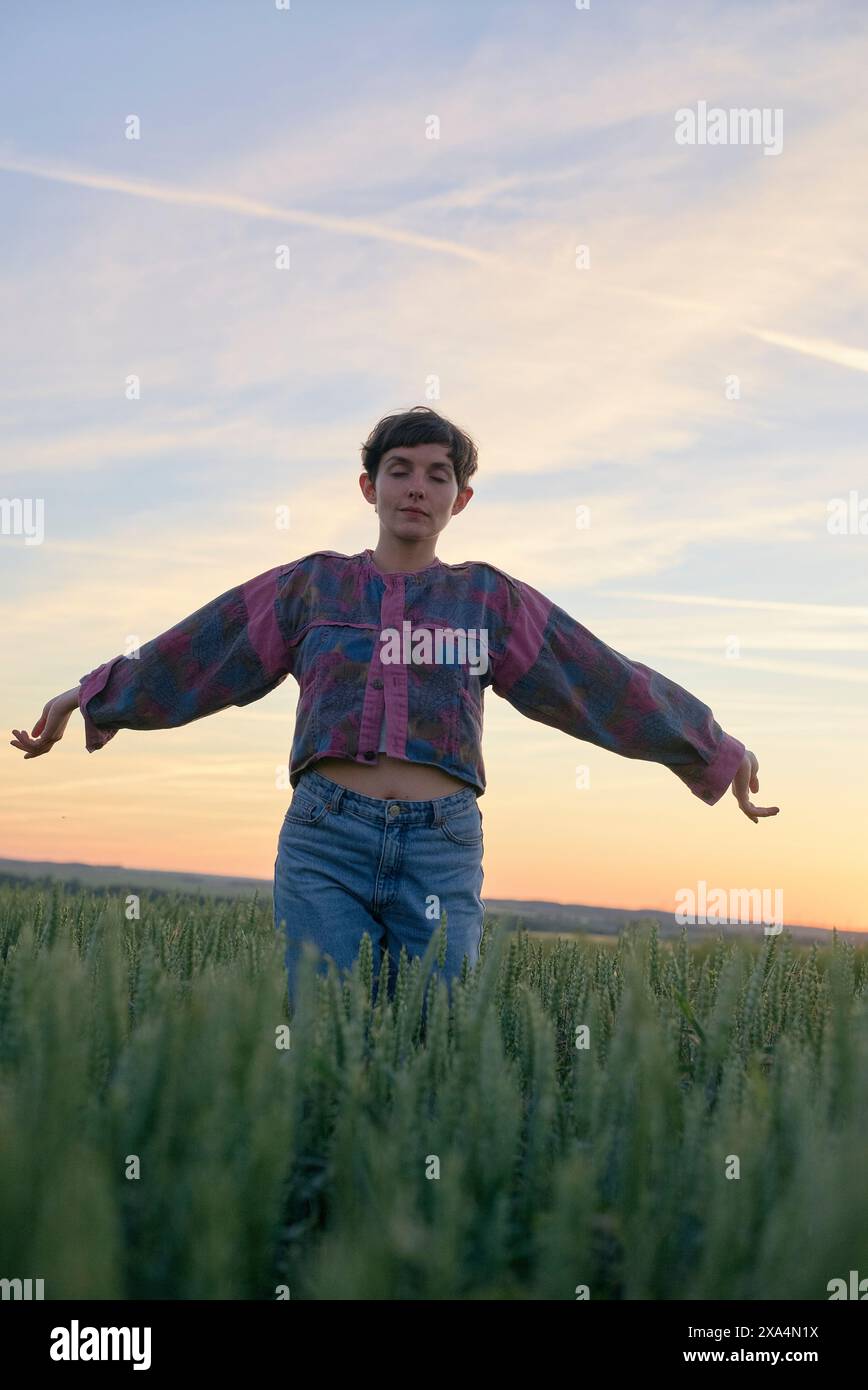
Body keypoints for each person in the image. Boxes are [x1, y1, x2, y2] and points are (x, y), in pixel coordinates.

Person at [10, 406, 779, 1010]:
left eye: (438, 475)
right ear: (368, 487)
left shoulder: (489, 600)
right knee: (323, 1043)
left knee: (436, 1045)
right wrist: (91, 693)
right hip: (323, 843)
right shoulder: (310, 587)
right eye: (400, 469)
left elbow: (598, 678)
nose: (418, 486)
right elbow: (204, 649)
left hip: (440, 850)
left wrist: (708, 745)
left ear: (461, 498)